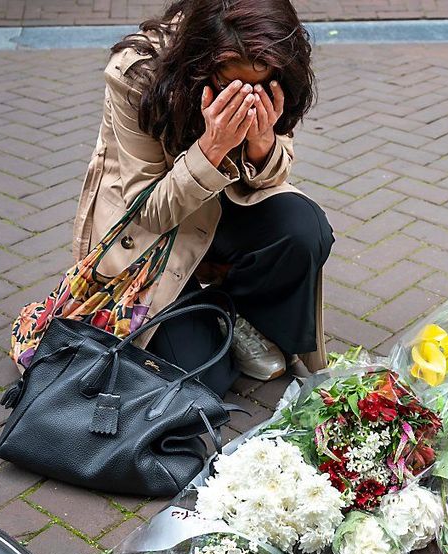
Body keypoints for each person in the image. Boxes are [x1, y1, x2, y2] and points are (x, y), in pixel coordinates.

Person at [71, 0, 333, 396]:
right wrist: (210, 150)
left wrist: (263, 146)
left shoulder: (268, 50)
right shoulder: (137, 74)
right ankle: (210, 313)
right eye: (233, 87)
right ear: (201, 66)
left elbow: (275, 177)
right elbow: (149, 211)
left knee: (303, 226)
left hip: (216, 209)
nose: (248, 98)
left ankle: (239, 311)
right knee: (201, 377)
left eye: (261, 87)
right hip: (149, 239)